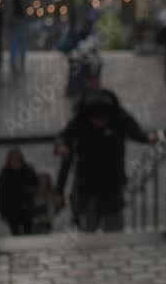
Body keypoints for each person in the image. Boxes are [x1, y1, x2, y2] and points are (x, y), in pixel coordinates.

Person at [54, 89, 155, 232]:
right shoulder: (80, 120)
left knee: (114, 226)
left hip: (112, 182)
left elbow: (135, 131)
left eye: (103, 120)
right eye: (96, 120)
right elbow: (64, 138)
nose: (100, 124)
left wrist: (147, 138)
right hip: (87, 183)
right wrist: (61, 147)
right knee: (87, 228)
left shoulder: (118, 116)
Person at [0, 149, 39, 235]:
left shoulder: (28, 171)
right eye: (14, 161)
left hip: (26, 208)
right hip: (11, 210)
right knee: (15, 232)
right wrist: (2, 212)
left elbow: (35, 186)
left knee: (28, 231)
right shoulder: (5, 174)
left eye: (17, 161)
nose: (16, 164)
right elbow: (0, 195)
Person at [9, 0, 29, 74]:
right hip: (22, 32)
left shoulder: (12, 12)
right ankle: (22, 64)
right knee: (22, 50)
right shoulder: (22, 12)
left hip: (15, 32)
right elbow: (26, 20)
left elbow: (9, 22)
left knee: (13, 51)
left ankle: (14, 66)